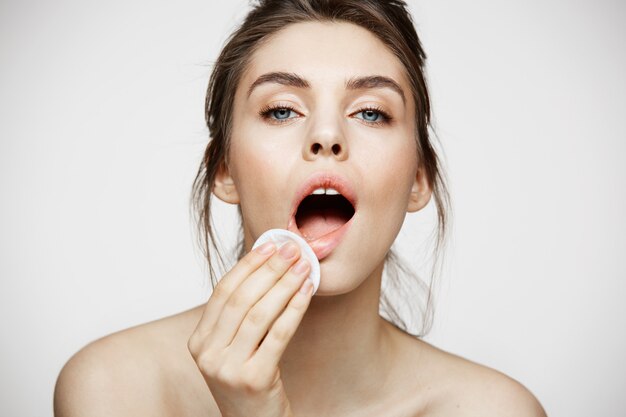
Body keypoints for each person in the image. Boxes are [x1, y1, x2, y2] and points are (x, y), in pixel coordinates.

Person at [54, 1, 547, 415]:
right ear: (224, 170)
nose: (327, 136)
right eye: (282, 110)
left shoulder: (492, 409)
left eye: (371, 112)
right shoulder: (114, 388)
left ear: (419, 181)